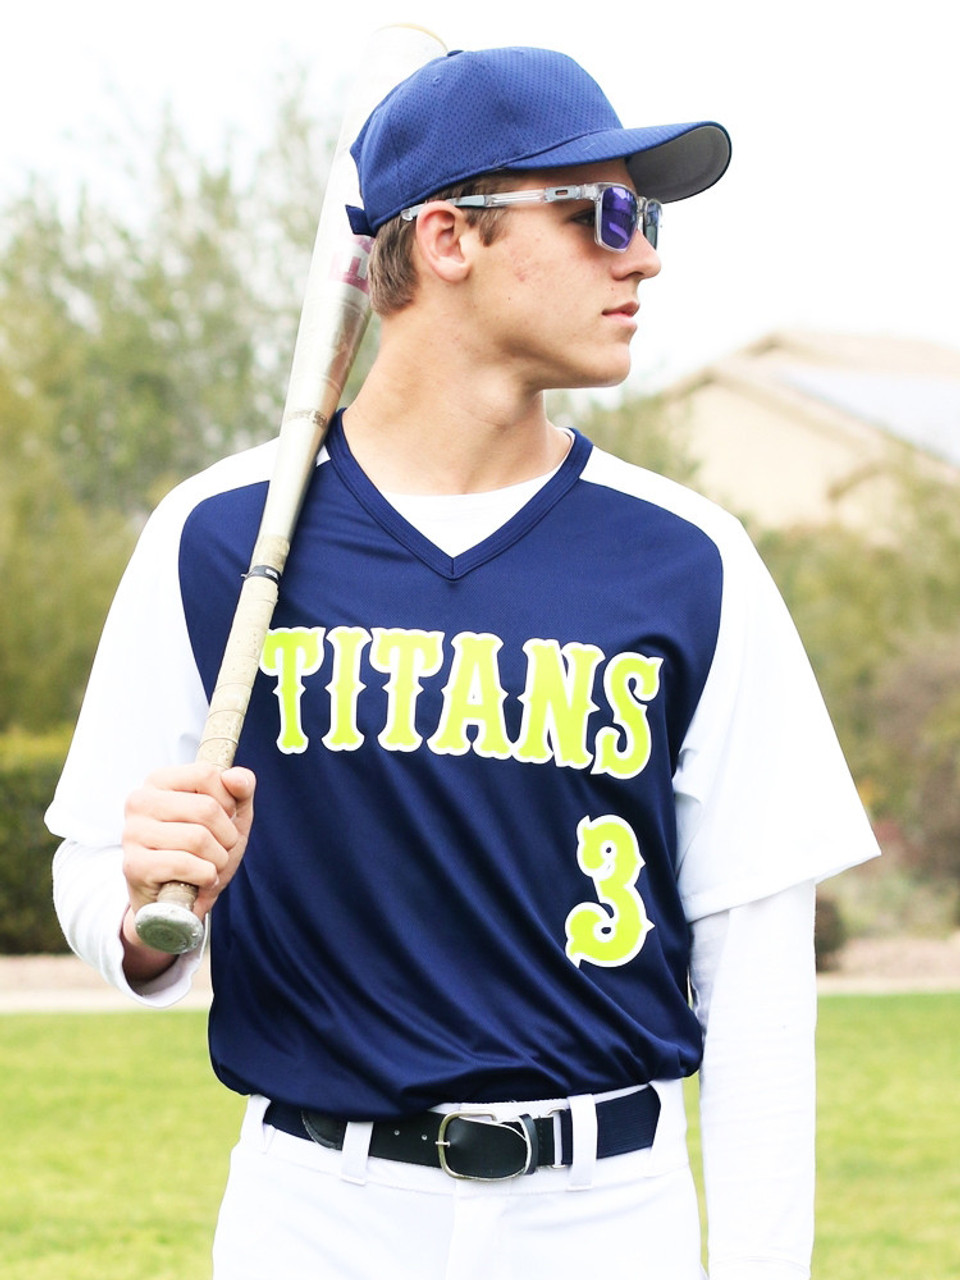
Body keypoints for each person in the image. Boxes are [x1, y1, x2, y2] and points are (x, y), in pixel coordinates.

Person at [48, 46, 879, 1280]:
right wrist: (147, 913)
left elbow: (759, 986)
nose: (642, 253)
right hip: (314, 1209)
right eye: (604, 211)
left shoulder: (691, 558)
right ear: (447, 237)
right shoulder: (217, 535)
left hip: (607, 1213)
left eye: (642, 221)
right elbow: (99, 874)